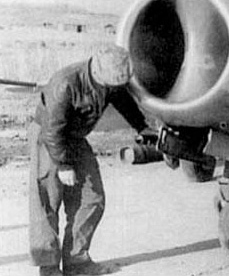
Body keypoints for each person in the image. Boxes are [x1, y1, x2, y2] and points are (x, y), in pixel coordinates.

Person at [29, 45, 157, 276]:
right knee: (48, 200)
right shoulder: (66, 83)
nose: (115, 88)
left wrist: (142, 127)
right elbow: (52, 130)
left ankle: (77, 261)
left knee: (92, 197)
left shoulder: (111, 81)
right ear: (97, 73)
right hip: (48, 137)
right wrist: (64, 165)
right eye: (112, 84)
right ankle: (48, 267)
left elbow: (124, 101)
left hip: (75, 137)